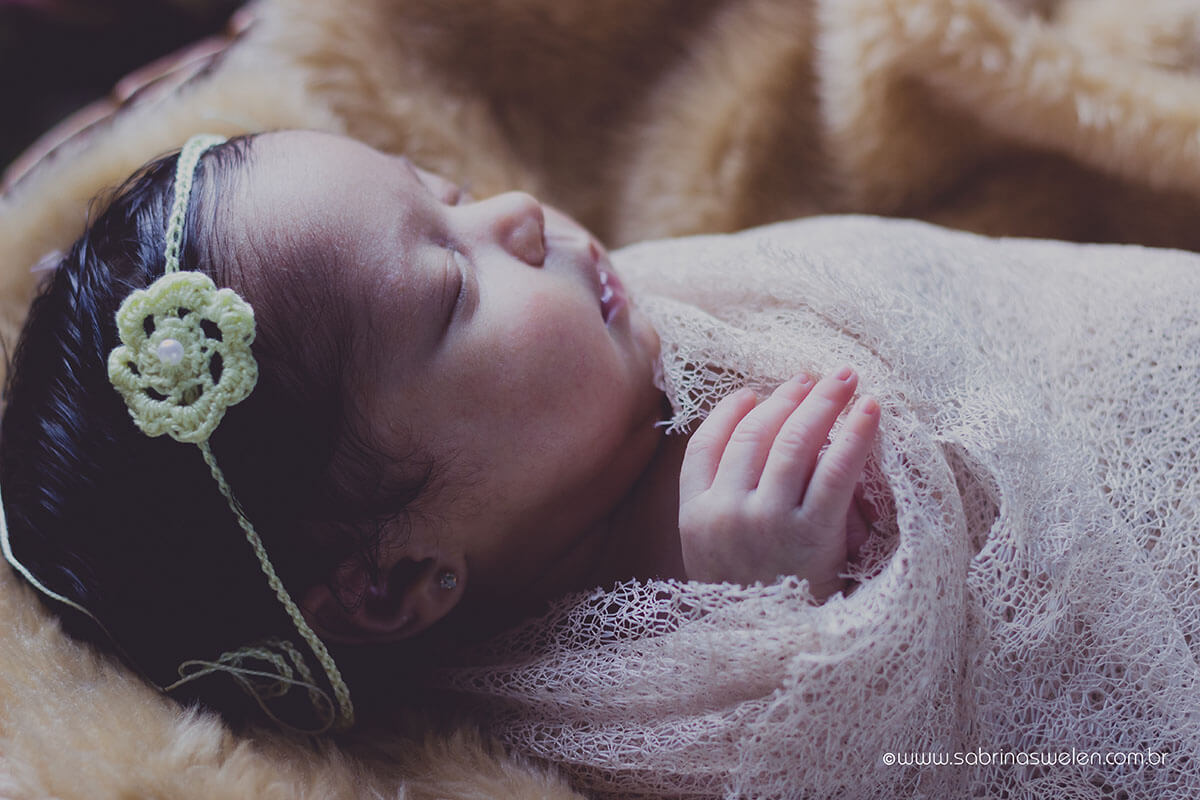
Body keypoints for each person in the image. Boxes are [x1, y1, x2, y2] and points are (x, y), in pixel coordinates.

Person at [0, 129, 880, 733]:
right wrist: (774, 628)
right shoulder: (625, 694)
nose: (519, 213)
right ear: (397, 582)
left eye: (446, 191)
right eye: (455, 288)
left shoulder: (636, 330)